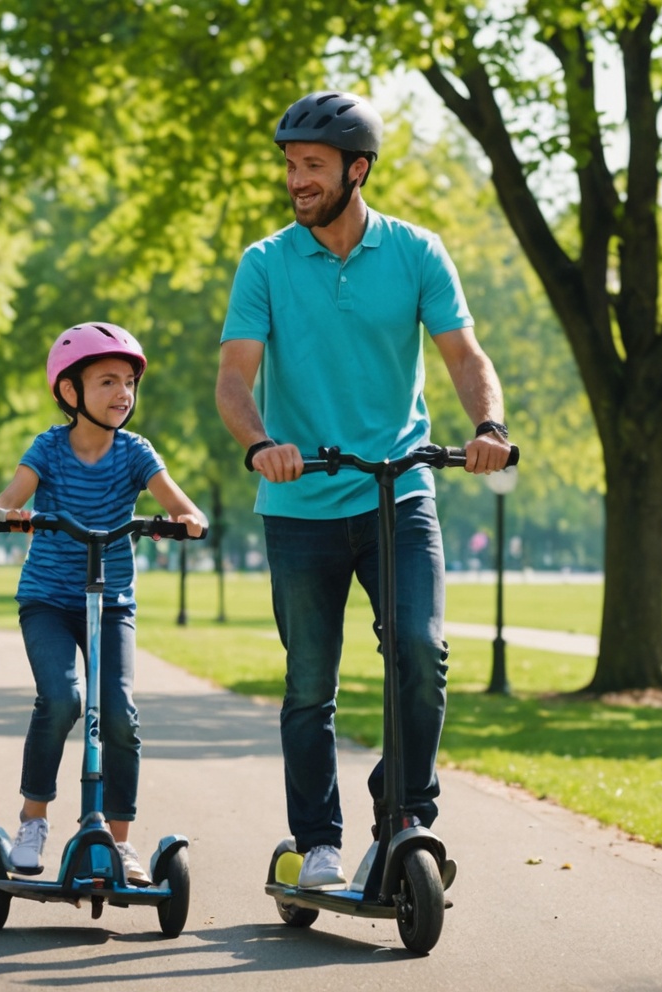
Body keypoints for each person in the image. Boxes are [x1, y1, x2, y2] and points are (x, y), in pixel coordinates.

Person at [216, 91, 512, 889]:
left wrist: (487, 426)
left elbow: (462, 355)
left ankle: (407, 812)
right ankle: (317, 841)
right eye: (289, 166)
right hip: (300, 502)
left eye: (311, 166)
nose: (296, 180)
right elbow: (233, 380)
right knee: (311, 683)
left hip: (399, 494)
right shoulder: (266, 262)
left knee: (421, 650)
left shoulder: (417, 253)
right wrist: (262, 445)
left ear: (358, 170)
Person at [0, 322, 207, 885]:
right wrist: (2, 513)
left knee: (120, 716)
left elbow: (181, 504)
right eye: (107, 381)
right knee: (62, 698)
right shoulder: (48, 448)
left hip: (111, 603)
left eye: (129, 382)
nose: (123, 393)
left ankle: (118, 839)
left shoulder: (135, 452)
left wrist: (186, 521)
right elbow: (9, 497)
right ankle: (33, 821)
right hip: (49, 599)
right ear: (70, 392)